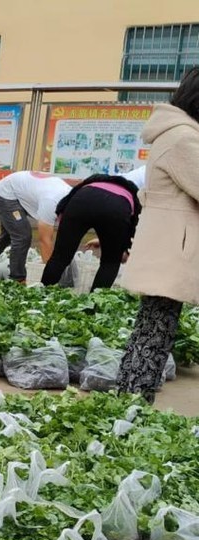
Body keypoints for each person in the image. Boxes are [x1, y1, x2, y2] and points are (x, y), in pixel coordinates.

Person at [117, 67, 199, 403]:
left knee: (154, 326)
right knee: (155, 330)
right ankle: (133, 401)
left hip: (167, 244)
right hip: (171, 248)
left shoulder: (177, 132)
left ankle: (130, 399)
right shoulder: (184, 138)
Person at [40, 172, 142, 291]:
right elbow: (132, 228)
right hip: (117, 207)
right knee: (110, 262)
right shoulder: (134, 197)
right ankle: (95, 305)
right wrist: (125, 249)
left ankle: (41, 297)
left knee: (59, 257)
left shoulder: (86, 186)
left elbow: (63, 211)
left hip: (81, 200)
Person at [0, 170, 72, 283]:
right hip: (5, 195)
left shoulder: (70, 197)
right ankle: (17, 279)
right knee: (22, 236)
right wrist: (51, 274)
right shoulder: (51, 203)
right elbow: (45, 240)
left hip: (19, 191)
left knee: (8, 235)